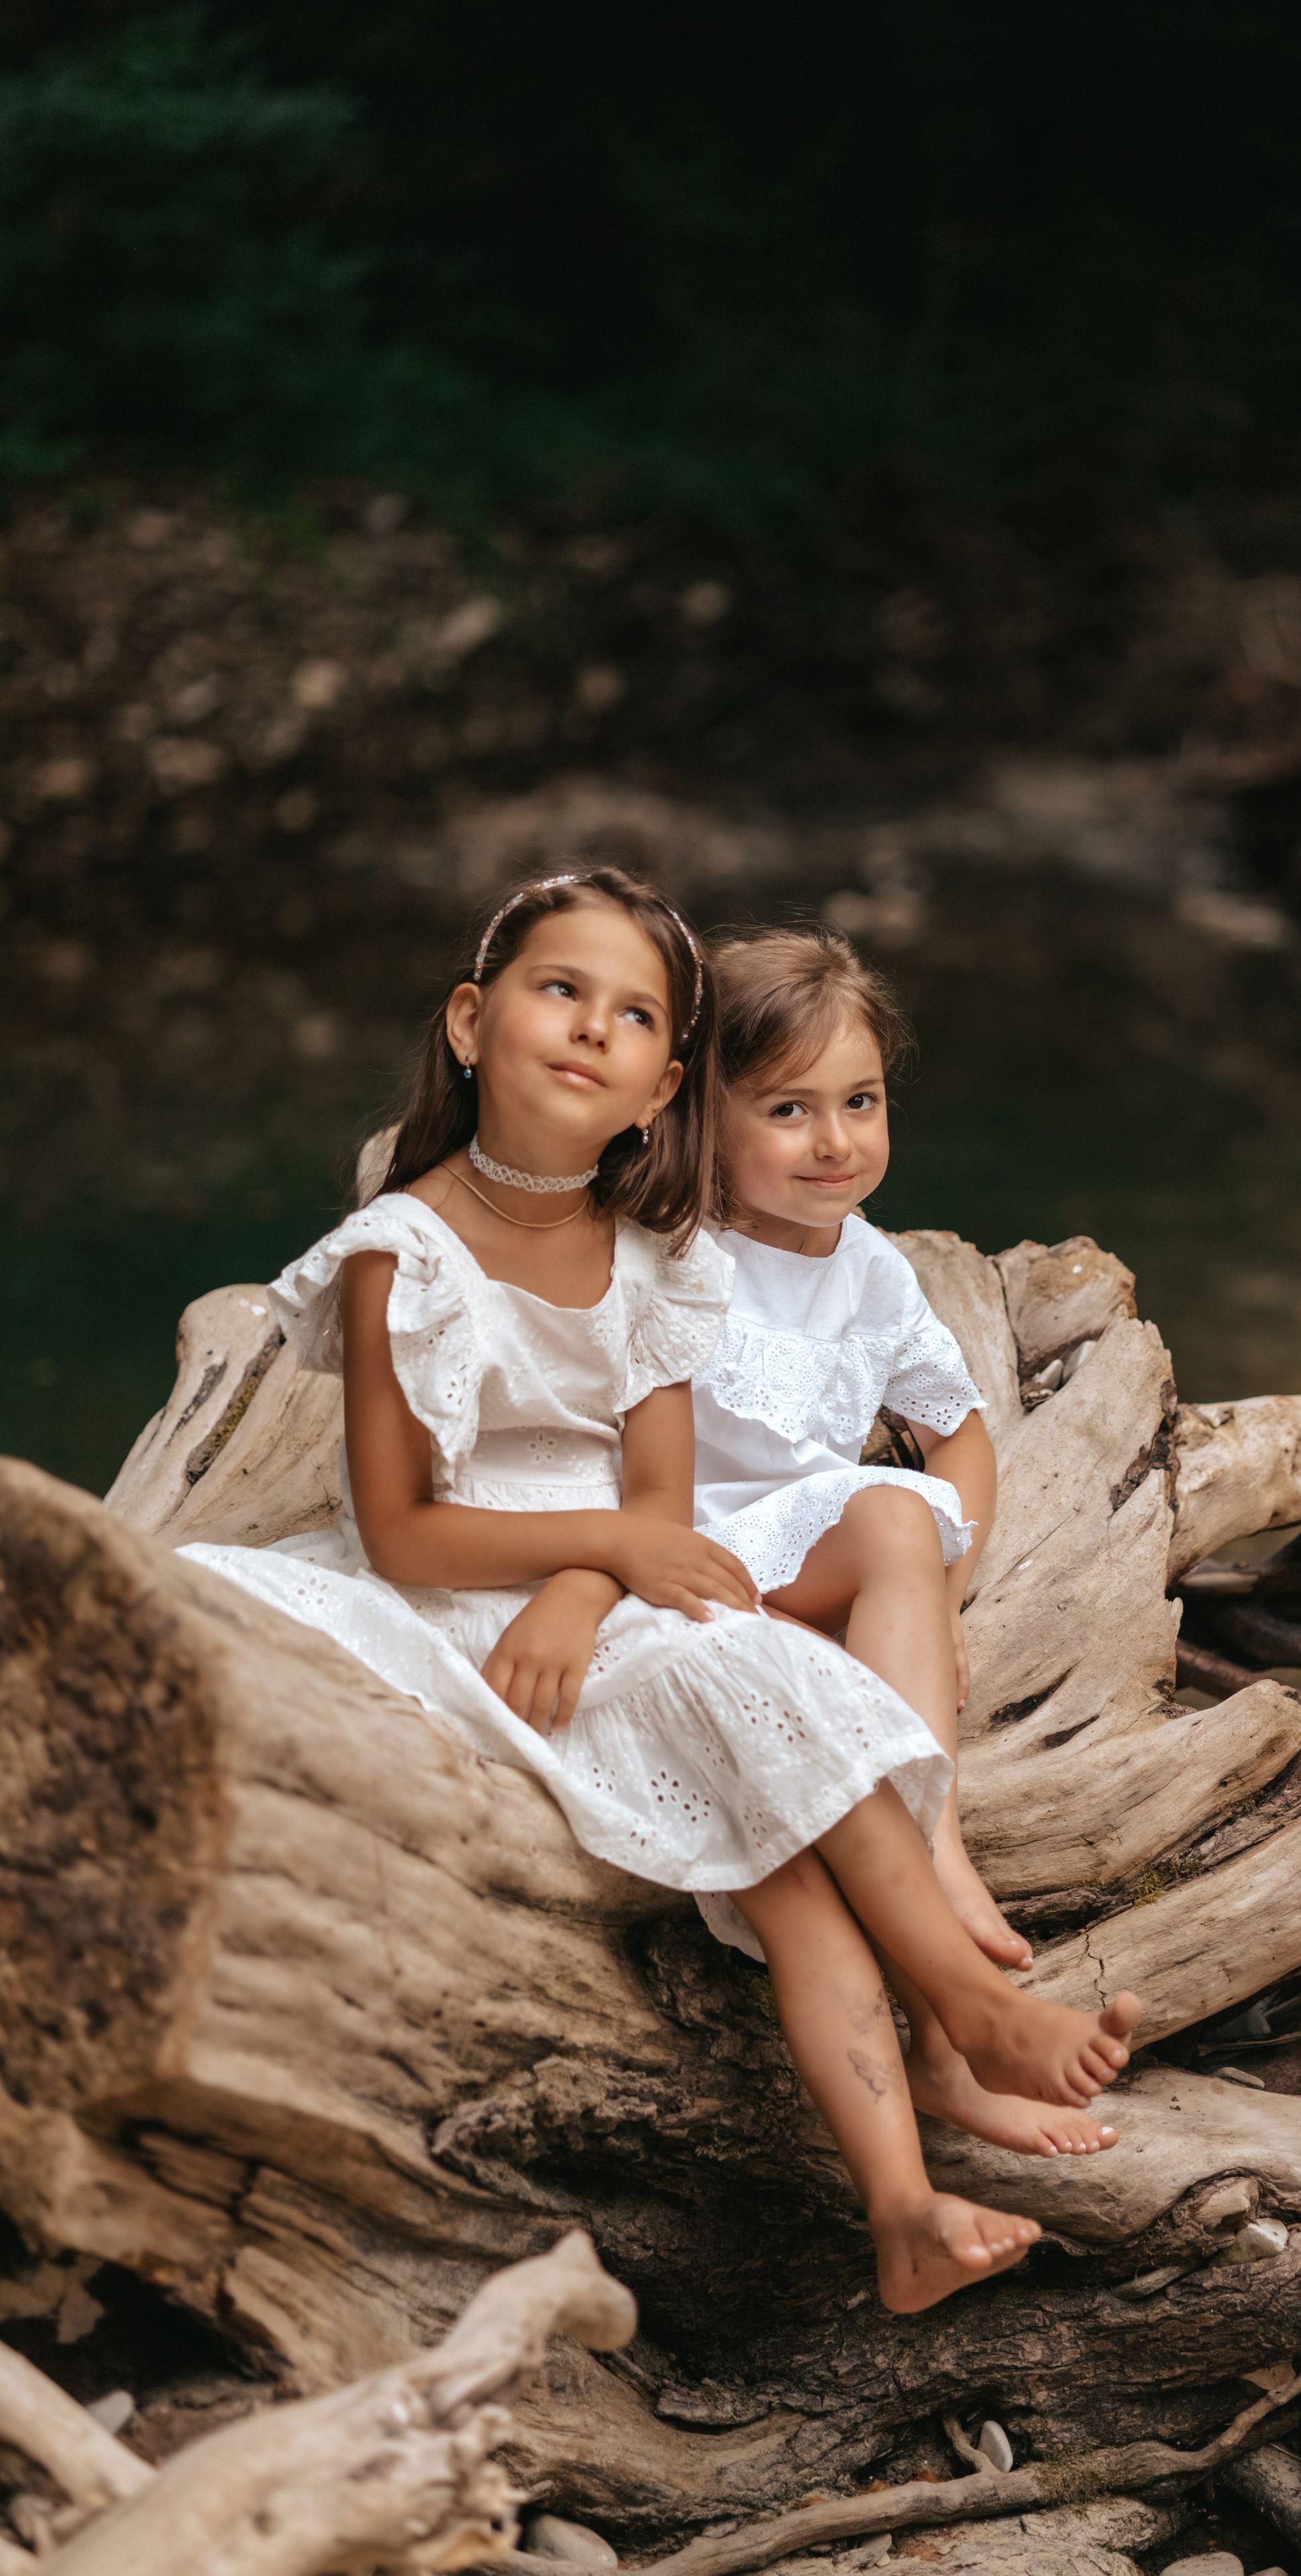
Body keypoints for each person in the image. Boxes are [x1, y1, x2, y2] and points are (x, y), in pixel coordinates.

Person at [178, 869, 1137, 2311]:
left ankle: (902, 2212)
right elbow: (396, 1532)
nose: (587, 1029)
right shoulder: (402, 1258)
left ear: (658, 1088)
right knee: (747, 1702)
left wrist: (613, 1565)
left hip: (622, 1586)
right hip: (460, 1588)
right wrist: (603, 1566)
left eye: (630, 1014)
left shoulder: (645, 1257)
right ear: (467, 1020)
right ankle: (973, 2003)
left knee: (793, 1846)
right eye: (558, 990)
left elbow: (661, 1502)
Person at [692, 927, 1120, 2162]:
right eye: (788, 1109)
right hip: (695, 1565)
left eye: (861, 1102)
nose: (836, 1142)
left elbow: (964, 1437)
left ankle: (945, 2056)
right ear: (702, 1118)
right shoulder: (674, 1255)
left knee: (898, 1520)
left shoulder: (871, 1269)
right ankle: (939, 1853)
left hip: (819, 1568)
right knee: (887, 1514)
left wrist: (945, 1602)